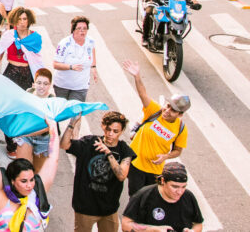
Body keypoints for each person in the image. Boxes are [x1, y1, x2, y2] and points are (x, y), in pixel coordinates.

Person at [122, 60, 190, 196]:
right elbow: (143, 93)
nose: (167, 110)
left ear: (180, 115)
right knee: (135, 196)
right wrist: (137, 76)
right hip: (136, 164)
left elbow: (177, 151)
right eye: (168, 105)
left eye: (173, 110)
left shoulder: (181, 128)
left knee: (149, 198)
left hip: (155, 170)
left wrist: (166, 156)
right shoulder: (155, 111)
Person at [62, 111, 135, 232]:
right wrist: (71, 124)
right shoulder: (89, 142)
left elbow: (121, 175)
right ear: (103, 126)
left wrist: (108, 153)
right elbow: (64, 144)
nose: (110, 134)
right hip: (85, 208)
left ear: (121, 132)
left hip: (109, 209)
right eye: (108, 129)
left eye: (115, 131)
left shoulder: (124, 150)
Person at [0, 116, 58, 232]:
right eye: (23, 181)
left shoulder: (37, 194)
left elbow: (53, 159)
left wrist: (53, 129)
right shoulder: (0, 199)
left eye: (32, 179)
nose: (30, 185)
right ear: (13, 181)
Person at [121, 162, 203, 232]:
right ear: (163, 181)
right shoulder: (144, 195)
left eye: (183, 187)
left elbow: (198, 224)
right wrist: (152, 230)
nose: (180, 192)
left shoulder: (188, 196)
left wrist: (192, 231)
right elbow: (125, 224)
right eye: (175, 187)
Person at [13, 69, 58, 171]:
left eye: (45, 84)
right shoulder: (28, 93)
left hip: (43, 139)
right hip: (26, 136)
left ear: (50, 85)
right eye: (39, 83)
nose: (41, 86)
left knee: (38, 172)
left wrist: (27, 133)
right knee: (22, 169)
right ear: (34, 84)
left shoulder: (52, 101)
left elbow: (49, 127)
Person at [0, 7, 43, 89]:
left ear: (29, 20)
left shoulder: (35, 37)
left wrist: (38, 78)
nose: (22, 22)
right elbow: (0, 51)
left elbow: (37, 59)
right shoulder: (8, 35)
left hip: (27, 74)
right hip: (11, 72)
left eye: (24, 19)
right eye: (19, 19)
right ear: (14, 20)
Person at [52, 16, 98, 102]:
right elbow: (55, 64)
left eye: (85, 28)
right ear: (73, 30)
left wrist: (94, 67)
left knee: (76, 113)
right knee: (63, 113)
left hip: (81, 86)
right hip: (62, 85)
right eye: (79, 28)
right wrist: (71, 67)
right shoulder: (64, 44)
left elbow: (92, 50)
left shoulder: (90, 41)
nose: (82, 31)